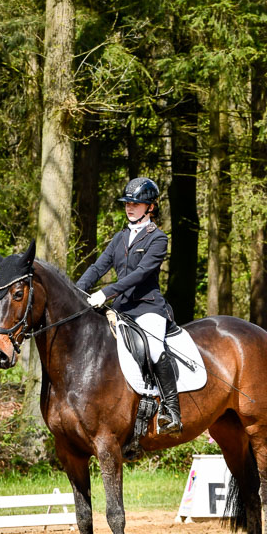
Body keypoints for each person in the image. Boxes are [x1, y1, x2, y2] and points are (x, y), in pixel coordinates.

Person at [76, 177, 182, 435]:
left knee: (155, 348)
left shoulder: (158, 238)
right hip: (121, 309)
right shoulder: (120, 237)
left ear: (150, 207)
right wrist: (77, 291)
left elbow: (142, 274)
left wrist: (105, 292)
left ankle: (171, 410)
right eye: (128, 203)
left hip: (147, 308)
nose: (130, 207)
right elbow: (98, 267)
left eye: (136, 203)